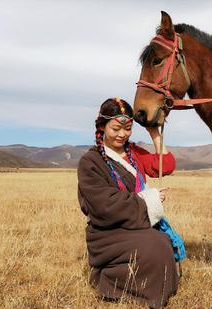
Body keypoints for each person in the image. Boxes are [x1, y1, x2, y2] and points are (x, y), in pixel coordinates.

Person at [77, 98, 179, 308]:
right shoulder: (91, 162)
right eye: (116, 128)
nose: (122, 134)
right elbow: (103, 204)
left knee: (163, 243)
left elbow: (166, 165)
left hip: (136, 223)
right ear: (102, 127)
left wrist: (155, 134)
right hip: (108, 231)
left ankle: (156, 288)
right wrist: (149, 199)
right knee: (155, 247)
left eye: (128, 128)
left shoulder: (133, 153)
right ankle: (107, 281)